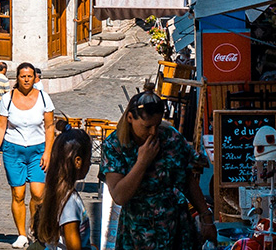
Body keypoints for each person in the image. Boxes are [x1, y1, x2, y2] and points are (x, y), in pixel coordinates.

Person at [99, 91, 218, 250]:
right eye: (147, 126)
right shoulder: (114, 146)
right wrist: (142, 162)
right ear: (130, 118)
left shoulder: (169, 136)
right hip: (139, 234)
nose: (153, 132)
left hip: (177, 228)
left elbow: (188, 180)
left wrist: (206, 216)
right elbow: (119, 196)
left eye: (157, 125)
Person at [0, 62, 55, 249]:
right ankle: (21, 234)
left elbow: (50, 126)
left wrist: (48, 152)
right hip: (13, 150)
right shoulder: (7, 98)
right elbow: (1, 126)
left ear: (35, 77)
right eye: (22, 76)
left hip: (37, 150)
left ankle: (35, 229)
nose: (26, 79)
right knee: (18, 194)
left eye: (29, 76)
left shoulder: (44, 98)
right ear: (17, 78)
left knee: (38, 193)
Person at [33, 128, 94, 250]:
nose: (90, 164)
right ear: (78, 161)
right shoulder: (70, 203)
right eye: (89, 159)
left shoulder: (57, 192)